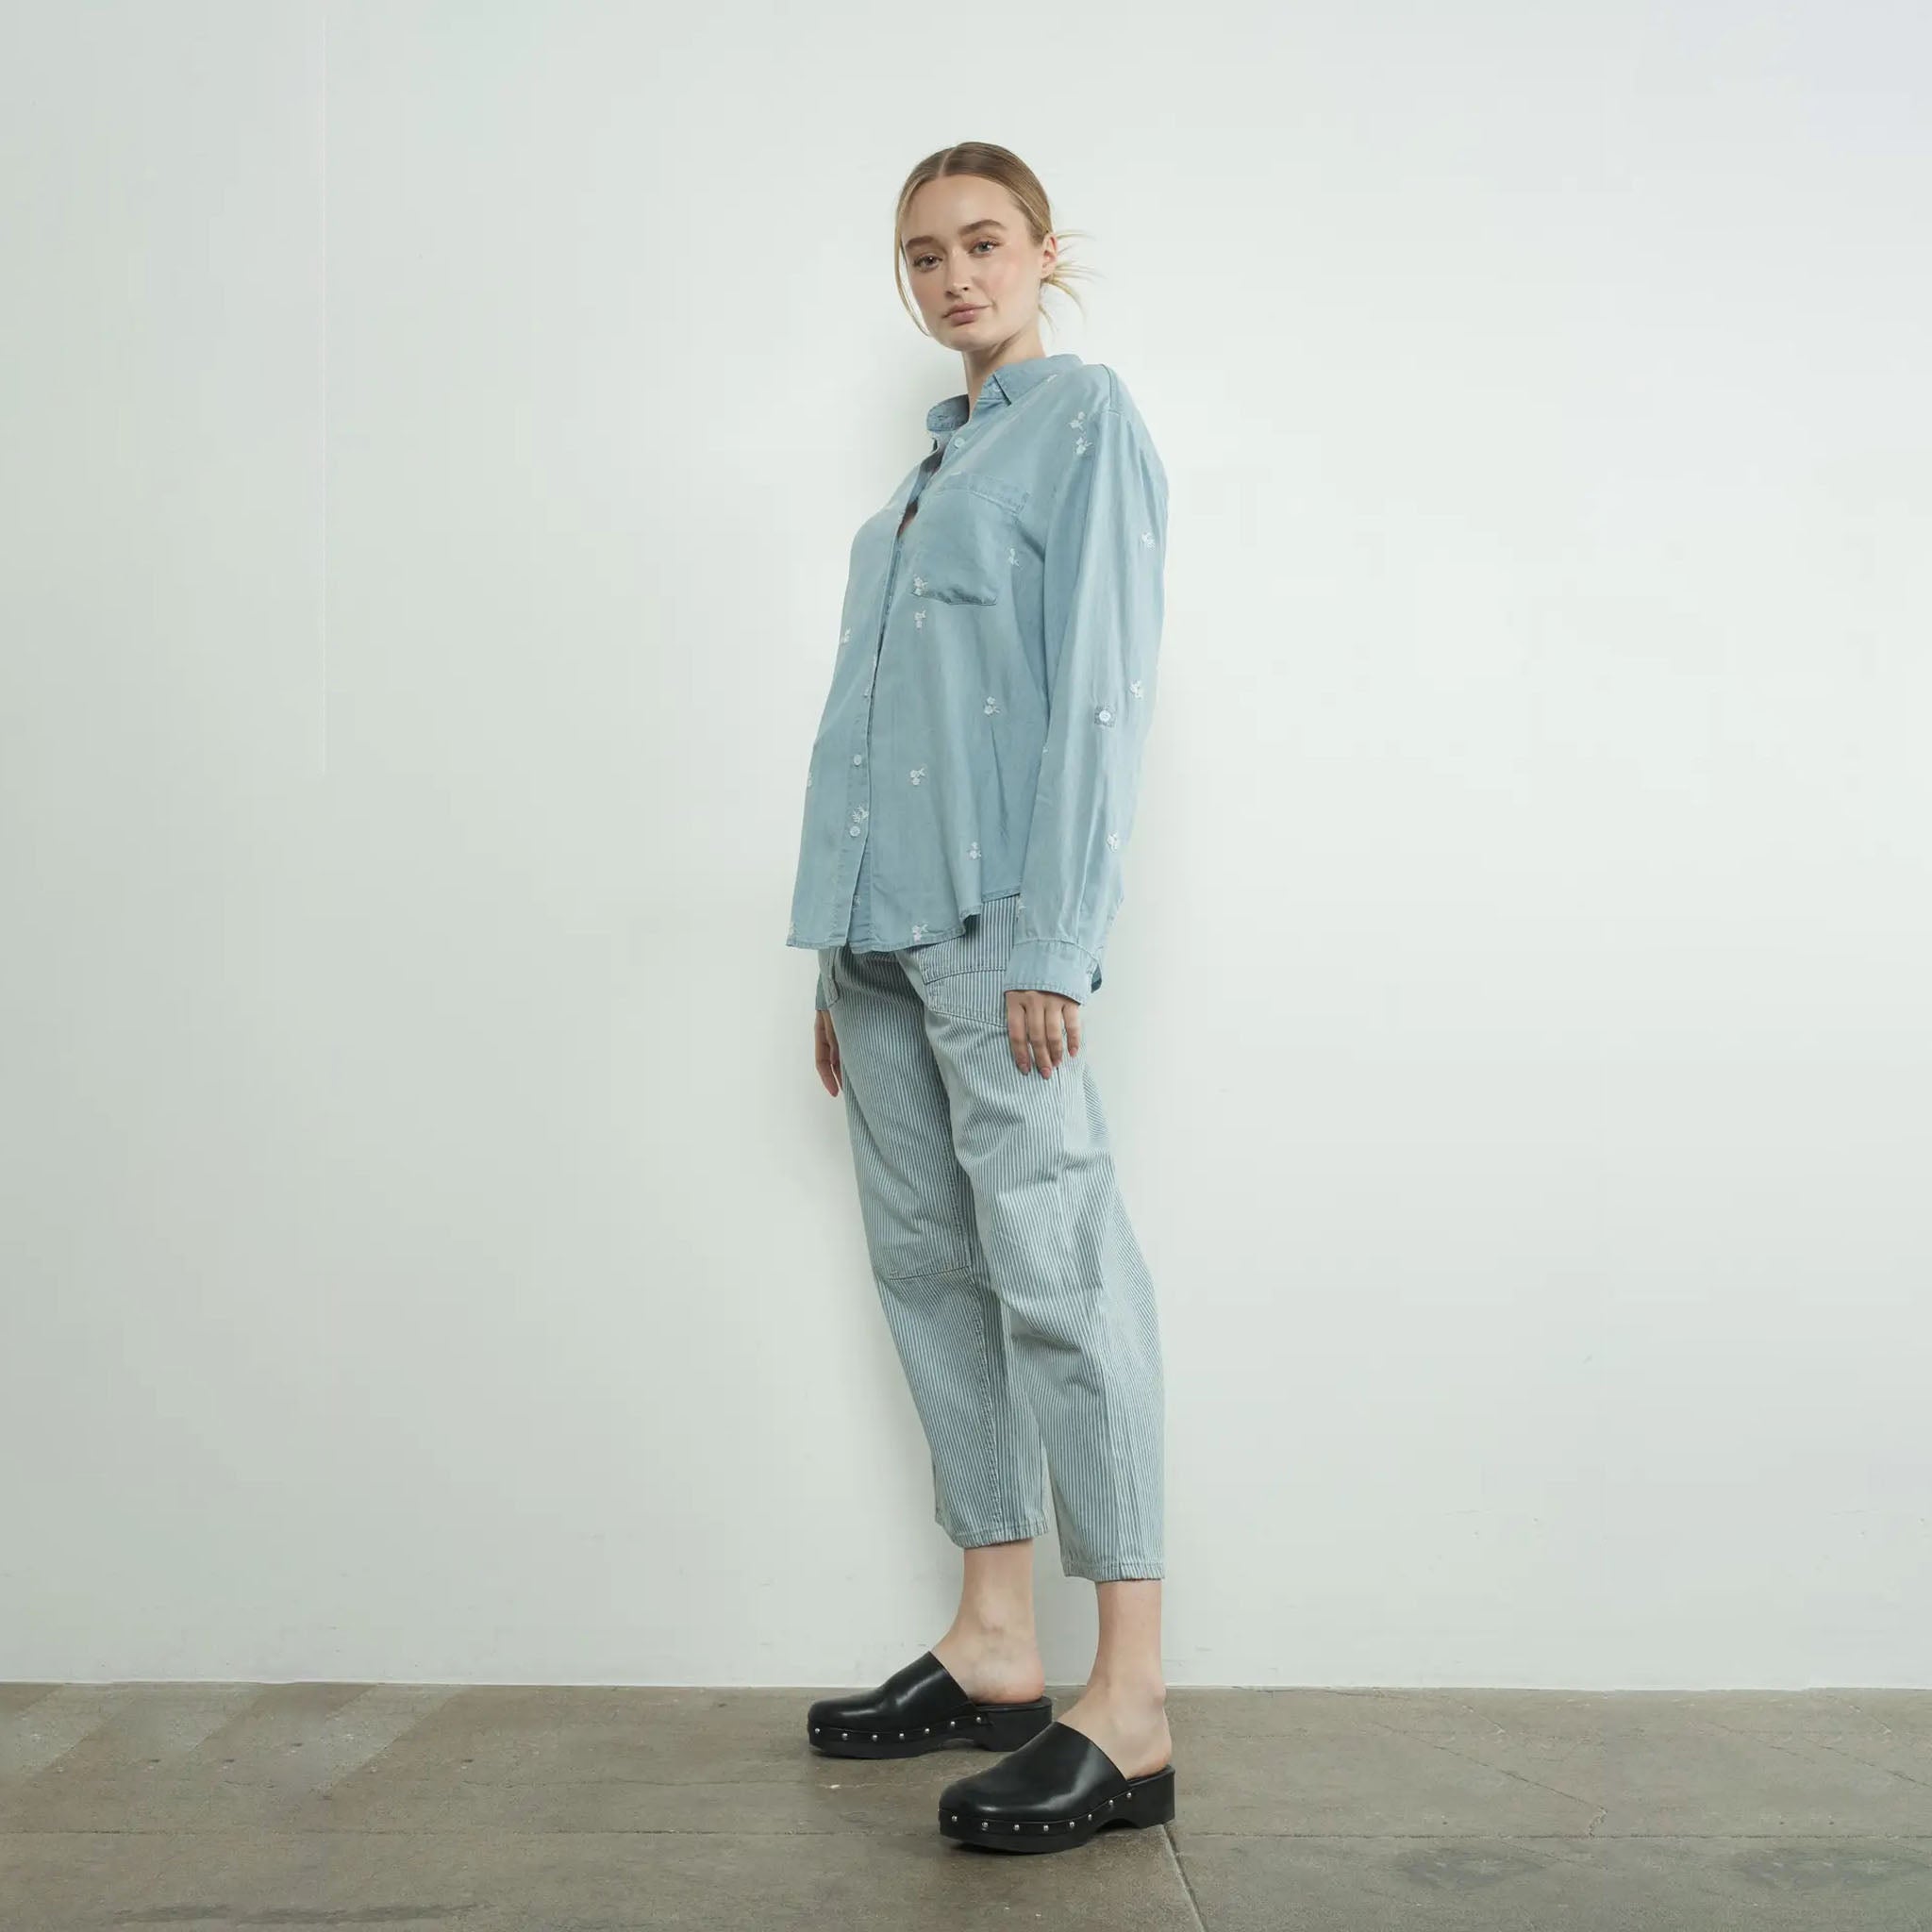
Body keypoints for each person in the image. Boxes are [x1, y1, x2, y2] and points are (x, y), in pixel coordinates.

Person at [785, 142, 1174, 1855]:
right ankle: (998, 1636)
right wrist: (827, 945)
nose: (954, 277)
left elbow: (1097, 686)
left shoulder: (1083, 428)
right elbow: (866, 735)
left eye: (984, 243)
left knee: (1061, 1275)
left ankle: (1133, 1698)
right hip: (875, 944)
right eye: (924, 255)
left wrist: (1055, 940)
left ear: (1042, 252)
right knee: (932, 1271)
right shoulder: (917, 485)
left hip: (994, 931)